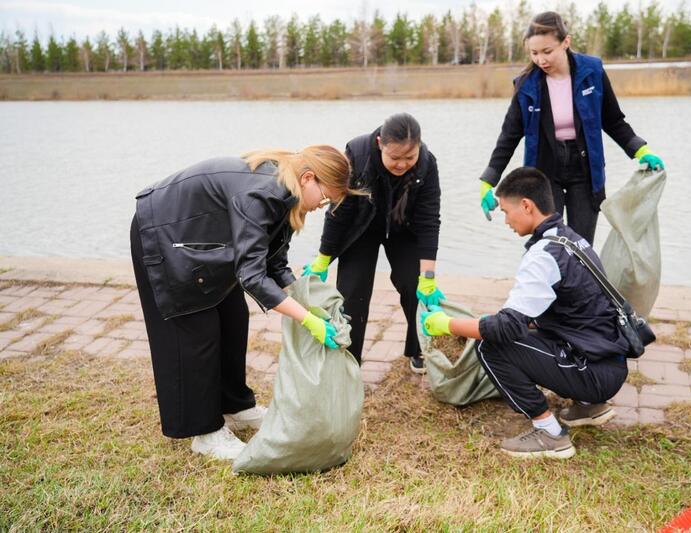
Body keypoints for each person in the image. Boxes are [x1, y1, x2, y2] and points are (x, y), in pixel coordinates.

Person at [130, 145, 356, 460]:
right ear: (308, 178)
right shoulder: (264, 193)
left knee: (234, 317)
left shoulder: (288, 193)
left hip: (203, 241)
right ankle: (205, 432)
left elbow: (273, 261)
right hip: (163, 232)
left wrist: (304, 298)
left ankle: (235, 406)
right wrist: (307, 319)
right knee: (197, 329)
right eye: (326, 196)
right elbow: (252, 276)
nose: (323, 205)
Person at [421, 166, 629, 459]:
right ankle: (588, 406)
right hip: (607, 362)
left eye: (506, 211)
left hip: (593, 371)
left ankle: (550, 433)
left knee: (490, 345)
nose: (505, 220)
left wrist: (446, 324)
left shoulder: (544, 254)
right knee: (526, 326)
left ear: (527, 206)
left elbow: (503, 329)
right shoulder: (570, 238)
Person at [479, 11, 665, 245]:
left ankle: (580, 282)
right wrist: (488, 180)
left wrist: (640, 150)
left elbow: (613, 120)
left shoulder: (592, 72)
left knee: (580, 245)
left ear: (566, 42)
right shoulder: (526, 85)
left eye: (547, 52)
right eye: (534, 53)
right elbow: (509, 136)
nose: (541, 60)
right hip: (545, 171)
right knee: (548, 243)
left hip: (585, 169)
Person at [302, 113, 443, 374]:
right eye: (395, 158)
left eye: (409, 158)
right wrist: (323, 257)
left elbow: (429, 220)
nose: (402, 164)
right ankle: (350, 357)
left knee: (414, 285)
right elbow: (339, 210)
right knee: (352, 290)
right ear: (380, 143)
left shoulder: (426, 163)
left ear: (419, 148)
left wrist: (429, 275)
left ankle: (418, 349)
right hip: (361, 229)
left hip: (403, 229)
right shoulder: (357, 153)